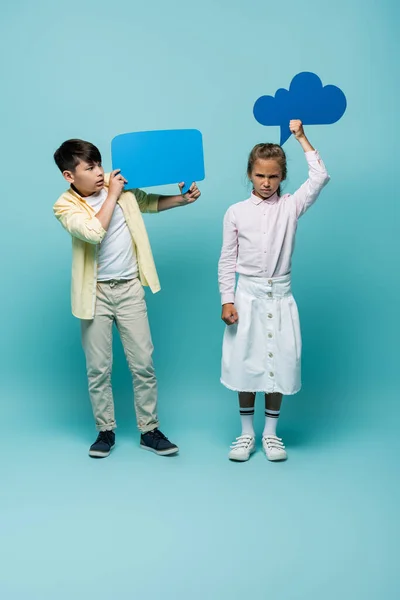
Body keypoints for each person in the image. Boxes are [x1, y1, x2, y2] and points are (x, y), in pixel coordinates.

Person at [53, 139, 201, 458]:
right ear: (69, 176)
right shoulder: (64, 206)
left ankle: (149, 431)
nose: (99, 172)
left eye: (99, 164)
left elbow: (147, 202)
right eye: (89, 168)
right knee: (98, 368)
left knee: (144, 363)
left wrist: (182, 199)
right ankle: (105, 431)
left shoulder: (117, 186)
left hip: (130, 288)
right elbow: (93, 232)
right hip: (95, 295)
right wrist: (113, 195)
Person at [218, 120, 330, 462]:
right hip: (246, 296)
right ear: (250, 174)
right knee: (245, 363)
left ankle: (270, 434)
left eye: (274, 177)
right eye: (260, 176)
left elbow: (320, 177)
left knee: (278, 363)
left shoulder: (291, 207)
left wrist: (300, 137)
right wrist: (227, 299)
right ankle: (245, 433)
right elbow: (227, 259)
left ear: (282, 177)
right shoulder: (235, 212)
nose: (266, 183)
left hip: (281, 296)